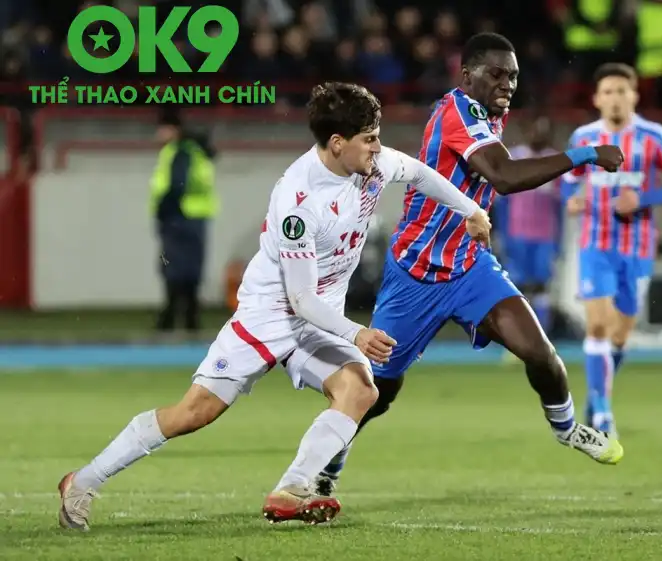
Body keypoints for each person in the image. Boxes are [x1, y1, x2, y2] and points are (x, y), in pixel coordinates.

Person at [56, 82, 492, 531]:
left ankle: (292, 488)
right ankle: (82, 481)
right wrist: (357, 333)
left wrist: (470, 211)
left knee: (360, 390)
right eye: (369, 139)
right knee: (194, 412)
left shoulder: (371, 163)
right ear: (337, 143)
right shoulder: (298, 201)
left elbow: (418, 173)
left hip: (317, 318)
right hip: (270, 314)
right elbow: (300, 299)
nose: (378, 147)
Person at [315, 32, 626, 498]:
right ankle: (326, 464)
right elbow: (504, 177)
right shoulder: (457, 112)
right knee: (377, 392)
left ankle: (566, 429)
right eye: (496, 74)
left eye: (513, 76)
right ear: (466, 76)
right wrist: (585, 155)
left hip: (468, 265)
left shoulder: (486, 114)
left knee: (540, 352)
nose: (507, 84)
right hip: (416, 271)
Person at [563, 63, 662, 435]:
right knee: (598, 325)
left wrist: (643, 199)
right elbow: (569, 180)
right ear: (597, 99)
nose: (615, 98)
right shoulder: (584, 137)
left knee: (620, 334)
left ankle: (596, 396)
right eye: (608, 92)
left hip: (637, 247)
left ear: (634, 96)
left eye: (622, 91)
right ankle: (603, 413)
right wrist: (573, 199)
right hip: (595, 243)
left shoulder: (655, 136)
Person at [150, 112, 219, 333]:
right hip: (196, 217)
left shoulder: (179, 151)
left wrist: (164, 209)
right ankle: (190, 316)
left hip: (178, 217)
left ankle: (170, 316)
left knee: (172, 266)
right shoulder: (197, 151)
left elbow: (176, 184)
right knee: (191, 268)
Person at [501, 115, 563, 333]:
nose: (539, 134)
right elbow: (502, 203)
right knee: (515, 286)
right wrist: (503, 235)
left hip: (545, 235)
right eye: (535, 129)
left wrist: (559, 240)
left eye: (544, 130)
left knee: (542, 287)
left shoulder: (556, 162)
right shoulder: (513, 158)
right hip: (517, 233)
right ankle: (515, 336)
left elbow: (560, 205)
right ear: (526, 131)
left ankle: (542, 336)